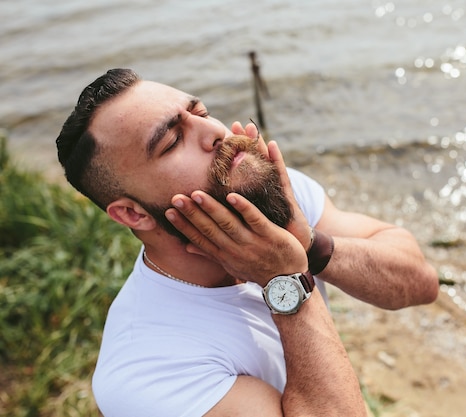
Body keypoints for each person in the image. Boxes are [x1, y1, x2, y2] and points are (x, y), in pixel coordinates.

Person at [55, 68, 439, 417]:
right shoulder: (142, 371)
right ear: (133, 214)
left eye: (200, 113)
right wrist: (285, 279)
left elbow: (420, 282)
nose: (217, 133)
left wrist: (307, 244)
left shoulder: (256, 195)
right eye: (173, 140)